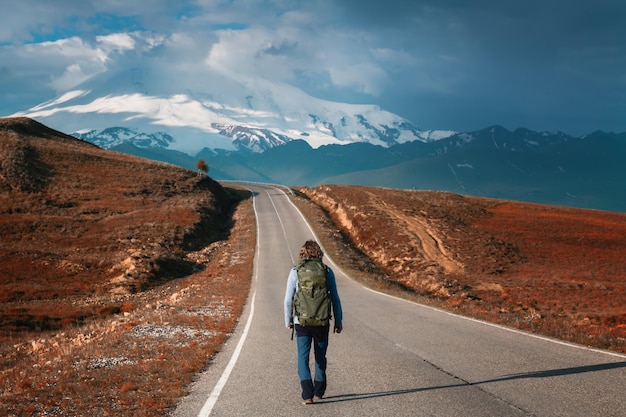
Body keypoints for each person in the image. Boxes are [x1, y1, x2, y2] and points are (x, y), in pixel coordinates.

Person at [284, 240, 343, 405]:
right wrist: (338, 321)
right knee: (320, 356)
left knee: (302, 357)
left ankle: (307, 394)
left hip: (301, 322)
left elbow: (288, 300)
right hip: (322, 321)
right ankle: (319, 391)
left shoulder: (295, 271)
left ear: (303, 254)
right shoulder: (327, 271)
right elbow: (335, 299)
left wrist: (288, 320)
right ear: (319, 253)